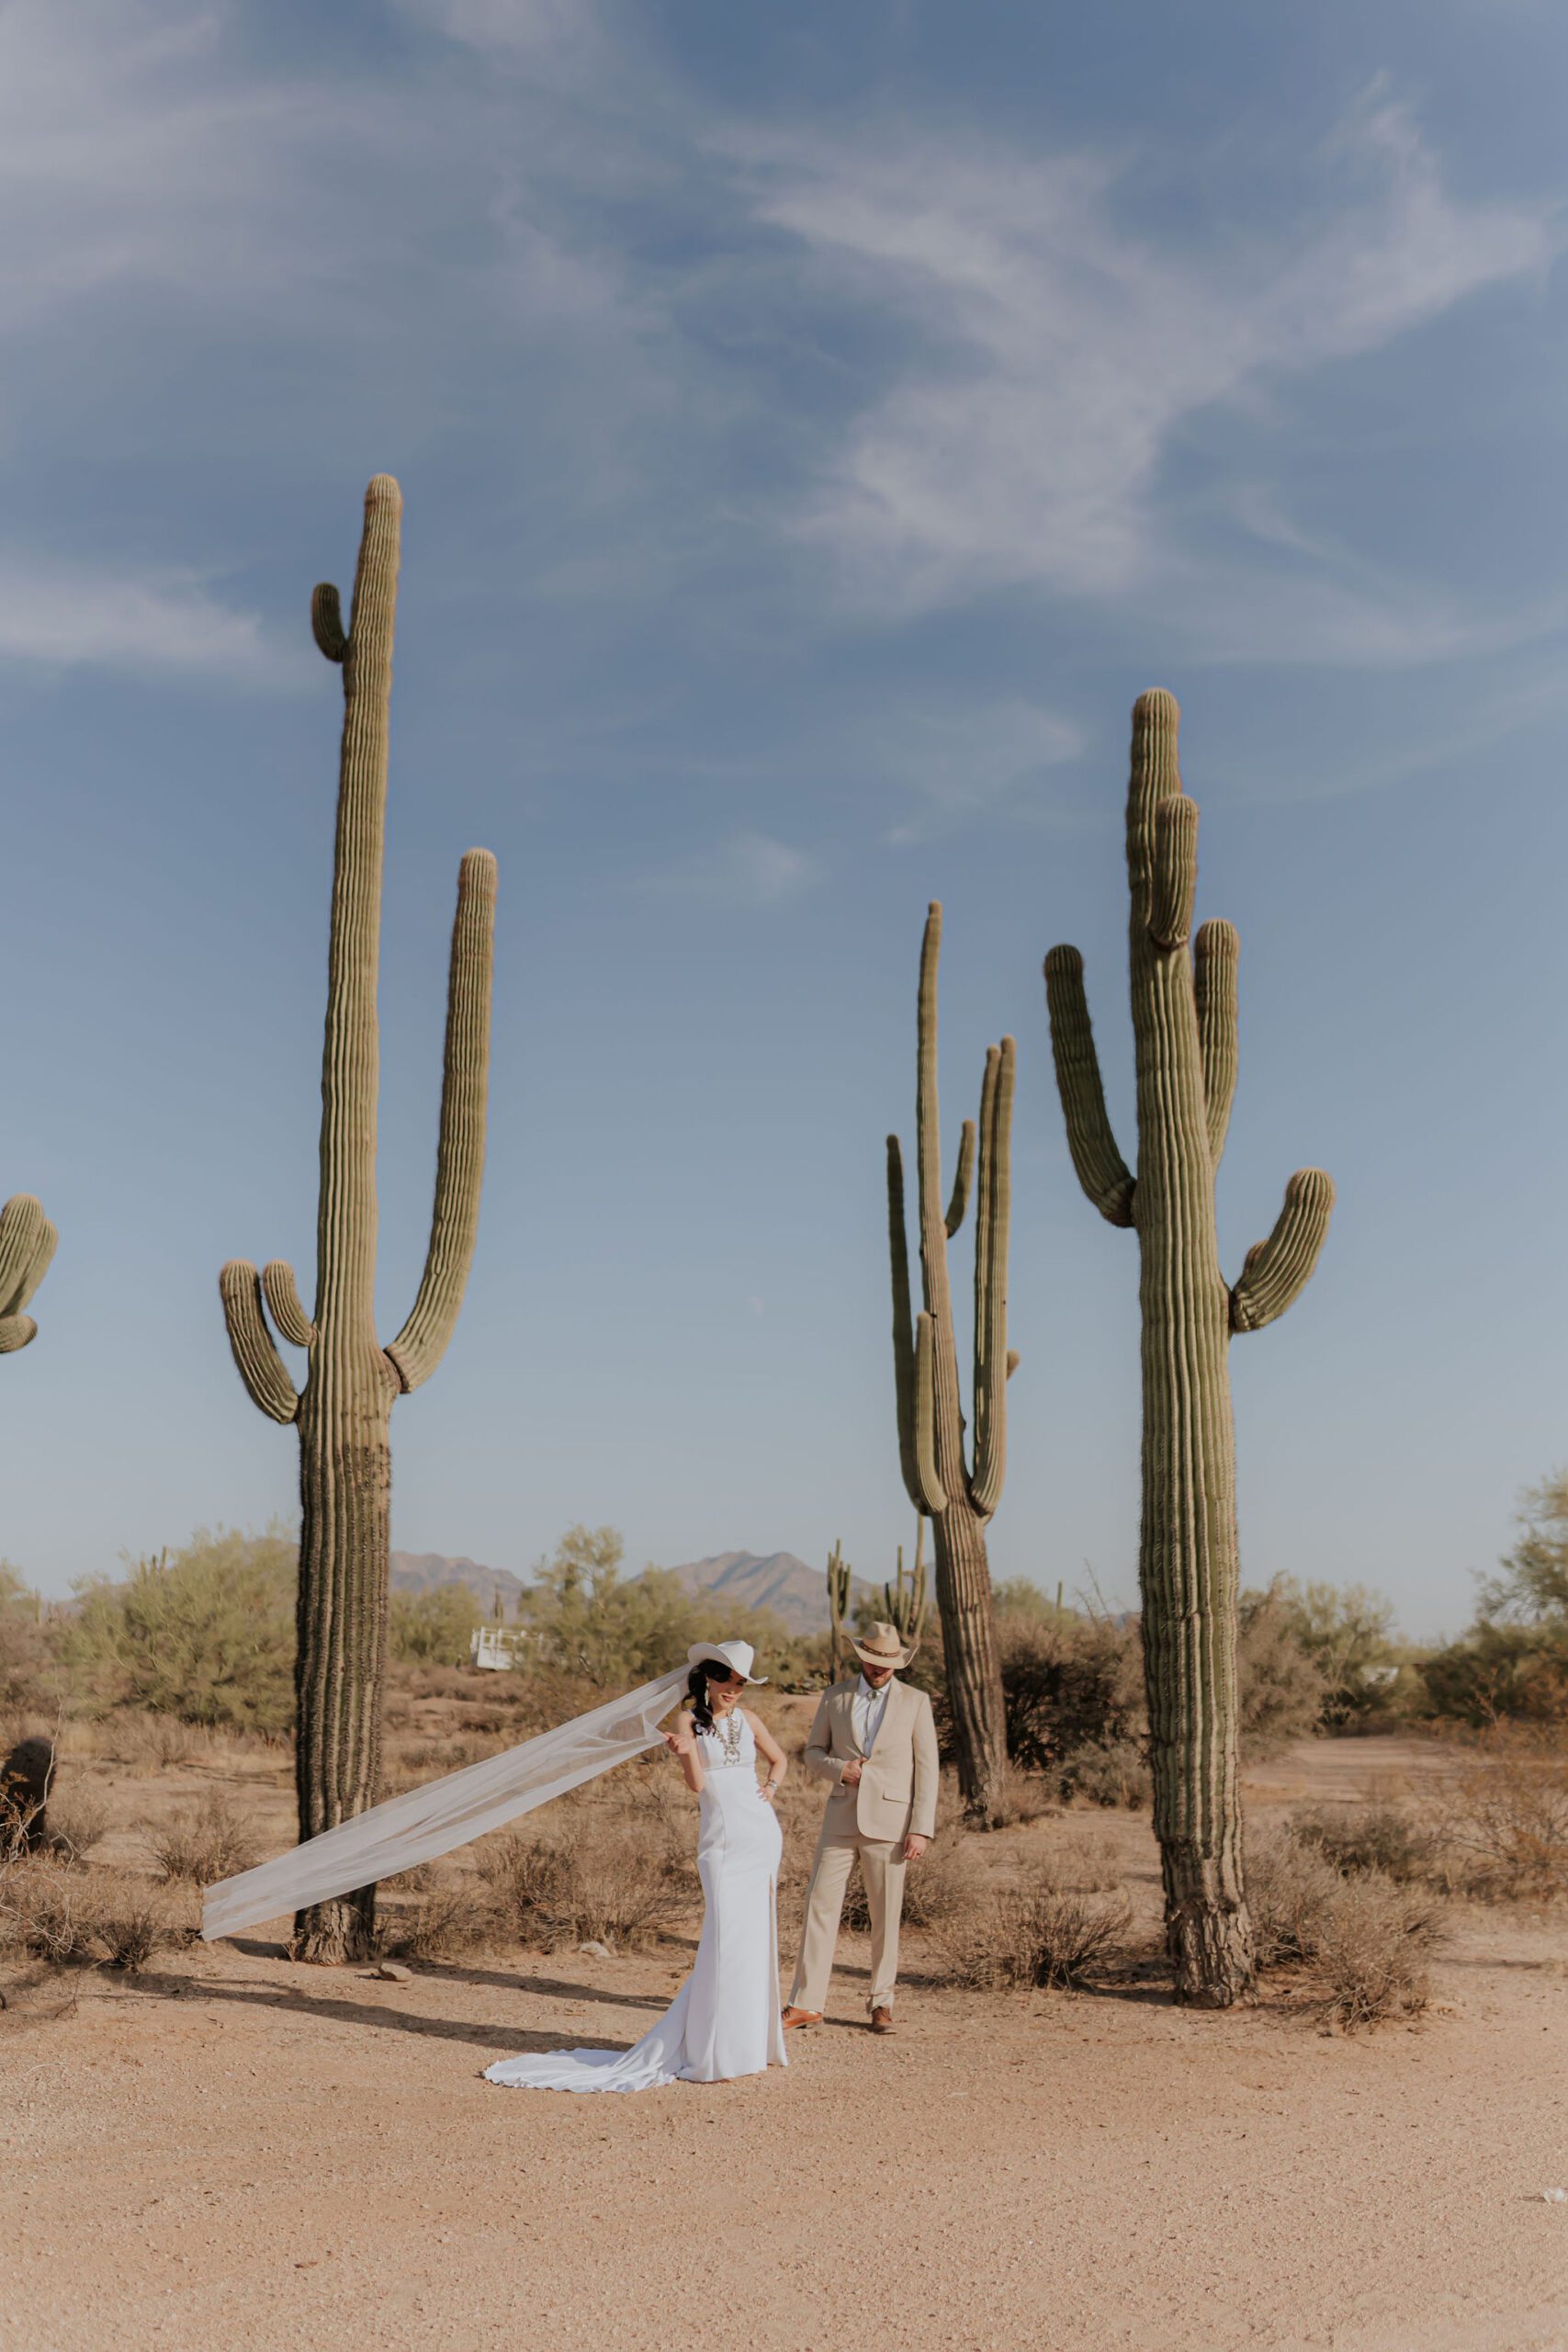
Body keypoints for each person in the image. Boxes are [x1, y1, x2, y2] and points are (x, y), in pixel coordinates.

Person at [483, 1639, 789, 2093]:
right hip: (722, 1839)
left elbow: (780, 1758)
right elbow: (698, 1786)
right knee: (723, 1940)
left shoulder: (752, 1720)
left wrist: (771, 1786)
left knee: (753, 1940)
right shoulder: (687, 1721)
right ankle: (712, 2047)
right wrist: (686, 1752)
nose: (734, 1689)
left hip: (761, 1835)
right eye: (727, 1679)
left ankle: (744, 2047)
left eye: (741, 1683)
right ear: (707, 1676)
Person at [781, 1619, 938, 2036]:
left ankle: (881, 2003)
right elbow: (812, 1752)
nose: (878, 1669)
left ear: (897, 1663)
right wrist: (839, 1769)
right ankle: (806, 2003)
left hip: (891, 1822)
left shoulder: (916, 1702)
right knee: (819, 1907)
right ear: (862, 1658)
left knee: (885, 1917)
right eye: (872, 1661)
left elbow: (928, 1769)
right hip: (840, 1817)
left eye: (886, 1662)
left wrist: (921, 1828)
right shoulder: (835, 1697)